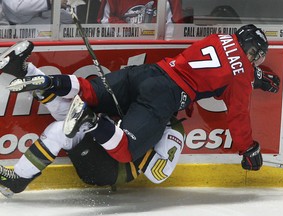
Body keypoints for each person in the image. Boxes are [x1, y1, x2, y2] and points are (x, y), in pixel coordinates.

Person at [0, 24, 281, 196]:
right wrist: (248, 148)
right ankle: (91, 121)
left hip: (148, 73)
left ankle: (37, 74)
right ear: (250, 52)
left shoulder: (219, 38)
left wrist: (256, 77)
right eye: (255, 57)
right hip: (165, 95)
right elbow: (238, 113)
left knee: (88, 91)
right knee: (123, 148)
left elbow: (226, 69)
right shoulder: (242, 72)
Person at [0, 41, 185, 197]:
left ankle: (17, 180)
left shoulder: (173, 129)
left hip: (113, 169)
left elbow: (159, 173)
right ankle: (25, 71)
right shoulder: (141, 96)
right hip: (99, 146)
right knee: (71, 109)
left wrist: (130, 138)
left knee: (59, 130)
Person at [97, 0, 183, 24]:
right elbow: (104, 21)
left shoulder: (171, 1)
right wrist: (131, 30)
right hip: (123, 45)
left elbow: (174, 26)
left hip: (155, 47)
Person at [2, 0, 73, 24]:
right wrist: (49, 2)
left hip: (45, 31)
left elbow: (68, 19)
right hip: (14, 31)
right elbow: (17, 8)